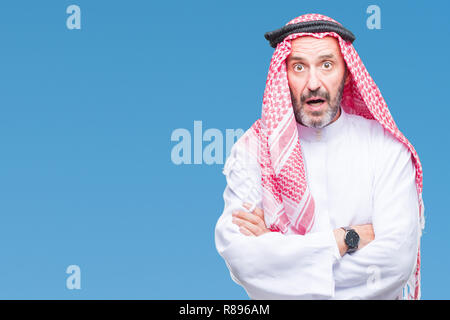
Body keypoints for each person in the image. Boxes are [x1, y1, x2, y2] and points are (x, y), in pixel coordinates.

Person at [214, 14, 425, 300]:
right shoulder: (251, 149)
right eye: (299, 67)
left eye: (327, 65)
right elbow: (243, 259)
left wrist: (281, 257)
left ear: (347, 72)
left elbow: (396, 262)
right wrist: (345, 239)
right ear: (284, 75)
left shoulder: (386, 148)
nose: (313, 82)